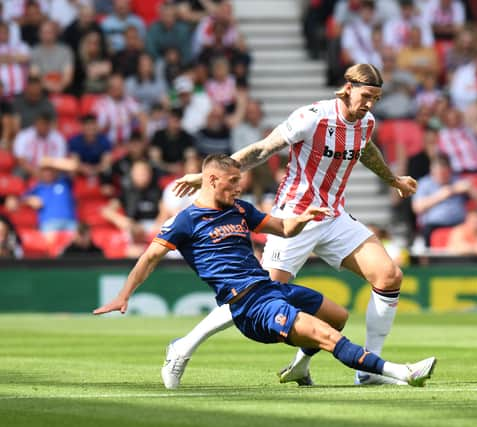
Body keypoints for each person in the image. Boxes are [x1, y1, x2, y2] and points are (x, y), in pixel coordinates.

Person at [169, 64, 418, 388]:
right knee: (256, 296)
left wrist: (393, 179)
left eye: (376, 98)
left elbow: (364, 148)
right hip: (294, 218)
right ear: (348, 88)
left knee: (388, 275)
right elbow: (262, 149)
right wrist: (207, 177)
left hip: (333, 216)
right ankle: (182, 347)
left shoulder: (366, 122)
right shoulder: (312, 117)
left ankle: (367, 370)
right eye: (366, 96)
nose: (370, 104)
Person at [93, 154, 436, 388]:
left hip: (270, 289)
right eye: (232, 182)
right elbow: (149, 257)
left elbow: (283, 229)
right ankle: (400, 373)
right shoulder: (184, 220)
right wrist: (124, 295)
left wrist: (301, 220)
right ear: (211, 180)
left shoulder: (240, 208)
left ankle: (299, 369)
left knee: (337, 316)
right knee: (328, 337)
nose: (238, 187)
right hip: (248, 304)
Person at [412, 153, 477, 247]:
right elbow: (417, 208)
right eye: (437, 172)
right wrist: (443, 194)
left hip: (459, 224)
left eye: (443, 172)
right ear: (432, 170)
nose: (440, 175)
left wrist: (470, 189)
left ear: (449, 170)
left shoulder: (458, 181)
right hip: (433, 226)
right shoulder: (424, 184)